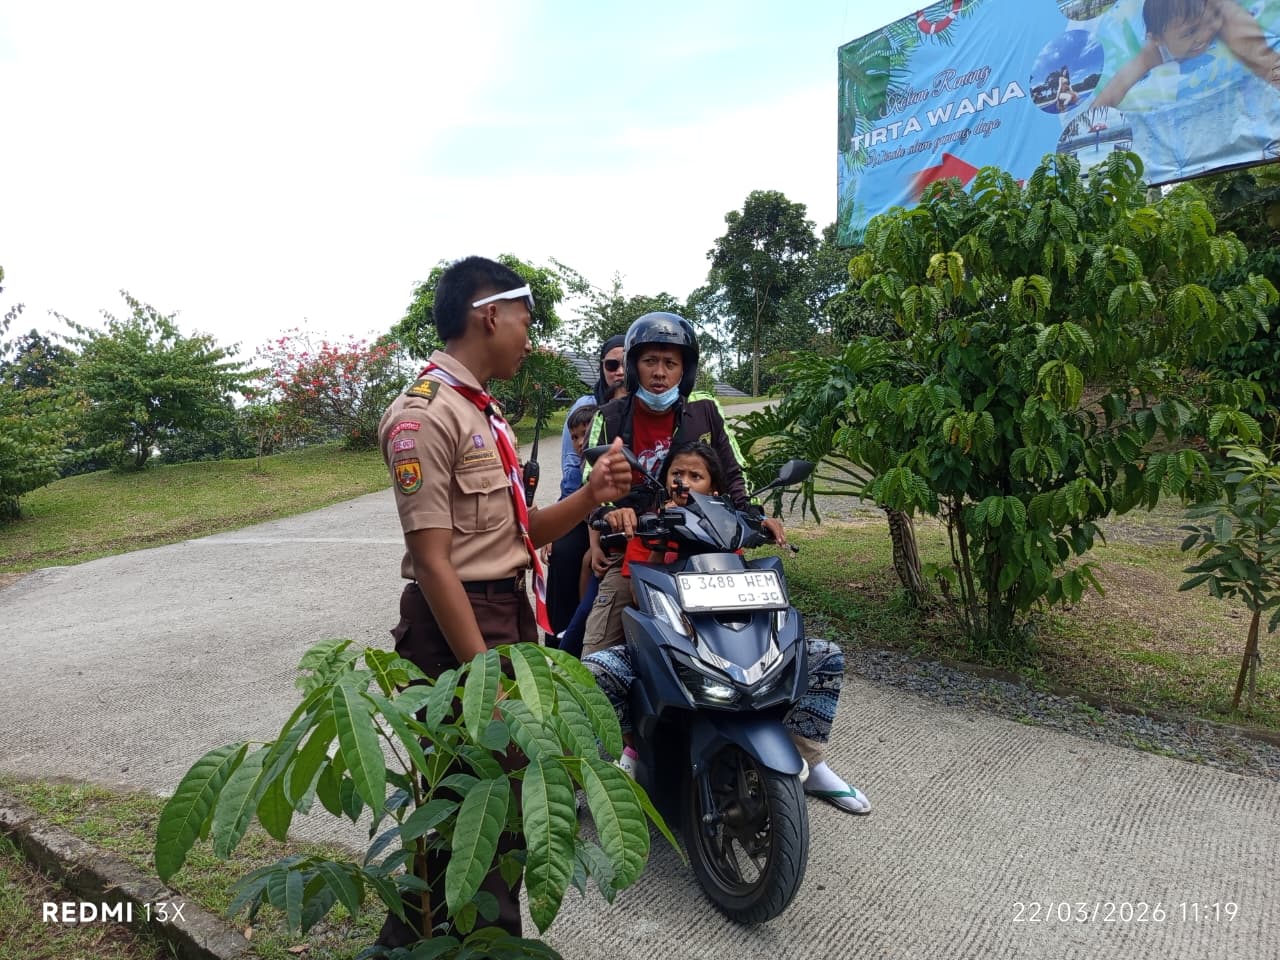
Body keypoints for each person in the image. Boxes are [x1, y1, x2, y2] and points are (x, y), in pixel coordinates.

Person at [373, 255, 632, 947]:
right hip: (459, 633)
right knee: (470, 801)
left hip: (505, 618)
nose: (529, 335)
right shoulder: (422, 416)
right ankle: (438, 941)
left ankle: (444, 941)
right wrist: (483, 680)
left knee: (499, 803)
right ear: (490, 315)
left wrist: (591, 495)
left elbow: (520, 536)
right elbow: (434, 564)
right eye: (524, 319)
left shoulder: (485, 414)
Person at [582, 439, 872, 815]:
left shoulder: (728, 528)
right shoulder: (648, 524)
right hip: (671, 642)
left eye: (695, 476)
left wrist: (760, 522)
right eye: (677, 474)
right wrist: (649, 534)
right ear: (664, 480)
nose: (683, 483)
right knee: (597, 669)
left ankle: (809, 761)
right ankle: (629, 751)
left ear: (714, 489)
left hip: (727, 643)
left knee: (825, 657)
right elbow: (639, 596)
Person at [581, 311, 784, 657]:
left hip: (706, 546)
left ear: (684, 371)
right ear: (633, 366)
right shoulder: (611, 417)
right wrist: (612, 513)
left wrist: (753, 513)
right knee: (595, 658)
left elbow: (732, 472)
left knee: (762, 640)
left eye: (670, 363)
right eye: (649, 361)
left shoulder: (705, 410)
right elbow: (591, 484)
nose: (660, 372)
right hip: (638, 548)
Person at [544, 335, 628, 635]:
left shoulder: (648, 404)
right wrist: (561, 521)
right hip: (587, 504)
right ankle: (558, 636)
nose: (619, 370)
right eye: (611, 364)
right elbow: (571, 471)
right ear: (602, 368)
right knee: (564, 555)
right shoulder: (586, 407)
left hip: (633, 506)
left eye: (626, 363)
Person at [1093, 0, 1280, 110]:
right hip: (1177, 16)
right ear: (1158, 39)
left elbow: (1255, 50)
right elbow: (1117, 86)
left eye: (1207, 25)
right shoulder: (1154, 50)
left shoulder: (1215, 14)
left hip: (1213, 8)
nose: (1203, 36)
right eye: (1189, 33)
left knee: (1238, 32)